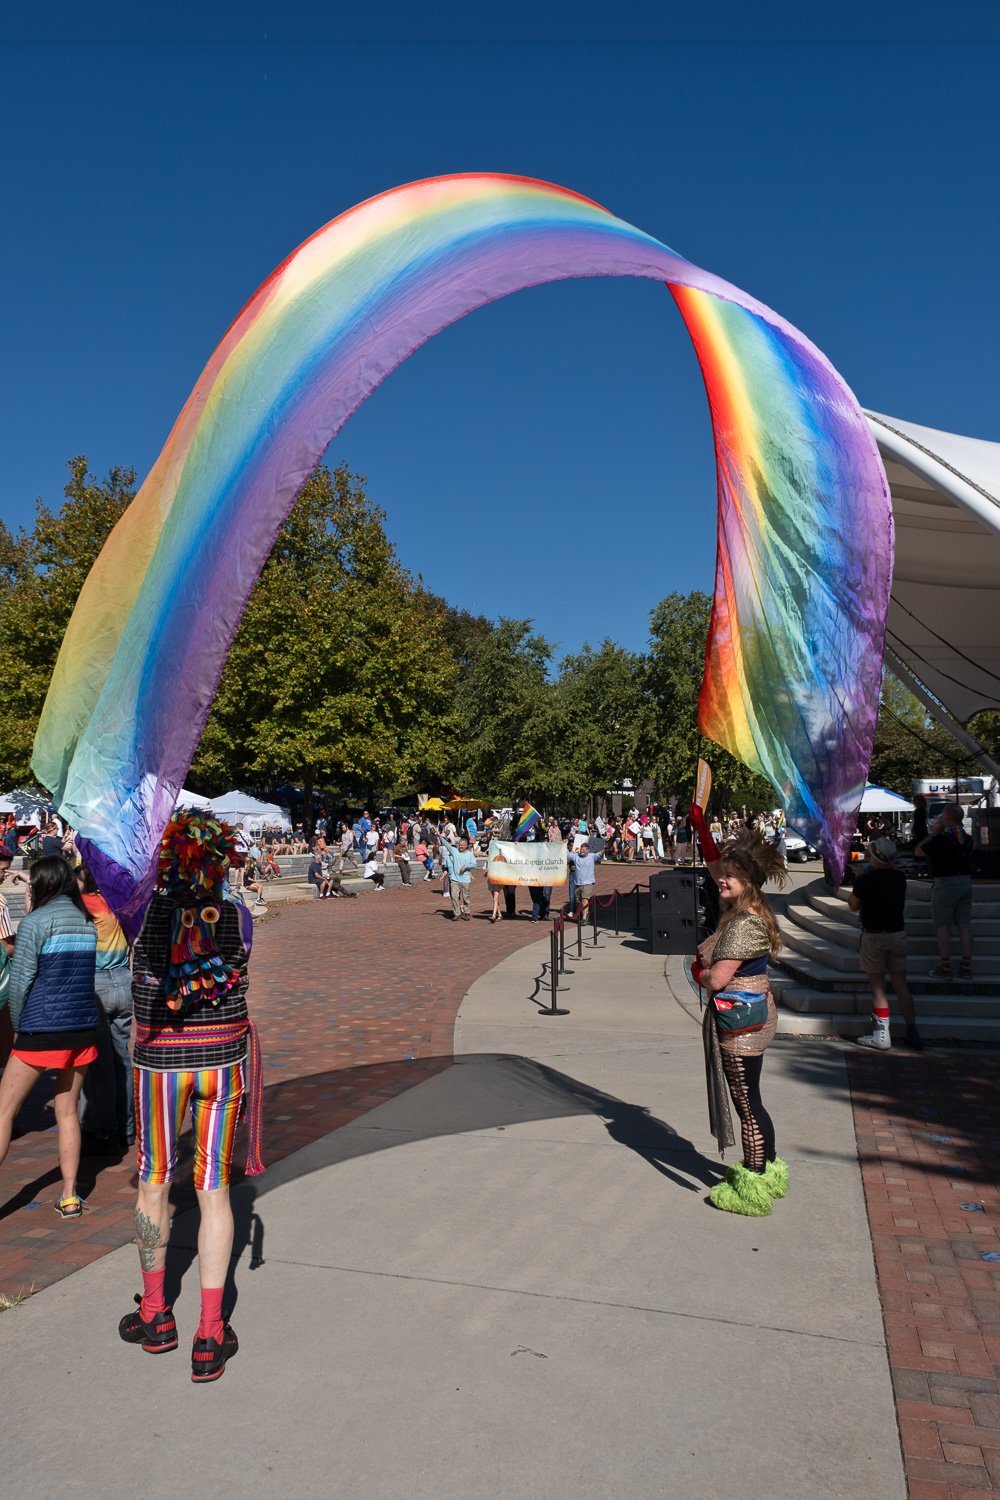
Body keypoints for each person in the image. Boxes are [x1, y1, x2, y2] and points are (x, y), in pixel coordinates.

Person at [120, 809, 263, 1382]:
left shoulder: (143, 916)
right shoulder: (237, 918)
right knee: (214, 1191)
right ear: (218, 861)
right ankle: (209, 1329)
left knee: (154, 1183)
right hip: (221, 1061)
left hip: (161, 1065)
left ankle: (156, 1314)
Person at [689, 807, 789, 1217]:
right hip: (751, 1017)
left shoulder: (745, 924)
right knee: (754, 1099)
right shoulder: (750, 910)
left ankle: (753, 1182)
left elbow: (716, 980)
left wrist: (699, 971)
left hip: (740, 1025)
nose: (721, 880)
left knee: (746, 1104)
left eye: (729, 876)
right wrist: (701, 827)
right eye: (722, 874)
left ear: (747, 881)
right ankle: (768, 1170)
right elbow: (715, 867)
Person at [0, 856, 98, 1219]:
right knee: (68, 1111)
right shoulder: (87, 923)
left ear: (41, 884)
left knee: (4, 1111)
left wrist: (16, 1028)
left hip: (40, 1028)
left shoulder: (36, 922)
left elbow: (21, 981)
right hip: (81, 1026)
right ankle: (70, 1195)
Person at [77, 867, 136, 1149]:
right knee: (121, 1057)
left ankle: (104, 1129)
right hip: (124, 979)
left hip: (96, 981)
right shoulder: (119, 902)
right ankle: (127, 1125)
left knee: (100, 1062)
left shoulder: (83, 903)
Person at [849, 838, 922, 1051]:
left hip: (874, 935)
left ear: (875, 856)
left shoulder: (866, 880)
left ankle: (881, 1035)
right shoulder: (899, 877)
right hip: (897, 933)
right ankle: (912, 1029)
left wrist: (859, 880)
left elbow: (853, 906)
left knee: (878, 988)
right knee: (901, 983)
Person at [915, 803, 974, 980]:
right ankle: (966, 966)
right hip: (965, 881)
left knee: (943, 926)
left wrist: (933, 833)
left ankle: (945, 965)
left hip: (946, 882)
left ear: (947, 818)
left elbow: (918, 852)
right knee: (964, 925)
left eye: (942, 816)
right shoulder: (967, 838)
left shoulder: (940, 839)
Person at [441, 836, 477, 920]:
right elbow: (446, 844)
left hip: (465, 880)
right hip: (455, 879)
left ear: (466, 846)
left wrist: (466, 866)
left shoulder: (469, 855)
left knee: (466, 897)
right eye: (460, 845)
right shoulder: (454, 851)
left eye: (462, 845)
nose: (460, 847)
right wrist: (439, 835)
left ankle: (466, 912)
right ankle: (457, 913)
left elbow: (474, 864)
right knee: (454, 895)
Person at [567, 841, 597, 922]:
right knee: (579, 901)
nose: (581, 851)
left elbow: (600, 854)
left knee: (584, 900)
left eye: (583, 850)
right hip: (578, 883)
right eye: (581, 850)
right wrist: (565, 844)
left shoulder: (592, 856)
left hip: (588, 882)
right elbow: (567, 854)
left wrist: (604, 848)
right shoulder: (576, 856)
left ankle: (584, 918)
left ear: (587, 850)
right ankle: (586, 913)